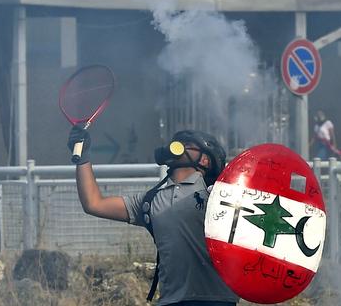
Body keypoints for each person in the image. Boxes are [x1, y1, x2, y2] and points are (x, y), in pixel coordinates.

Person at [67, 126, 238, 306]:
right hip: (171, 301)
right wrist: (83, 157)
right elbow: (93, 203)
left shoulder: (216, 195)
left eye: (188, 145)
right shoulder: (151, 199)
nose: (178, 145)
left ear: (205, 160)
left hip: (215, 300)